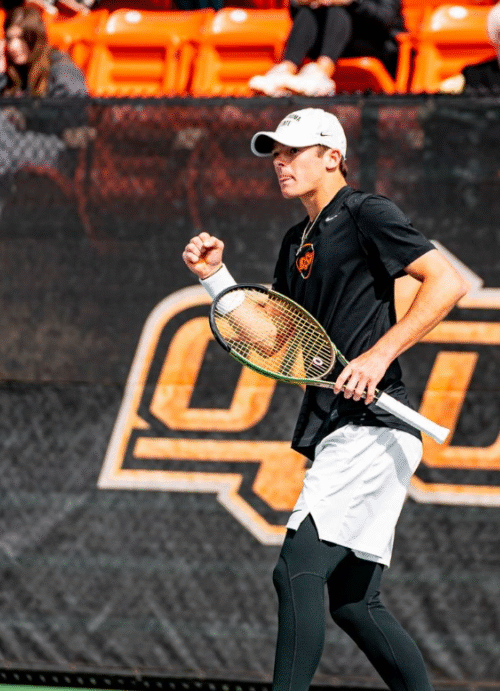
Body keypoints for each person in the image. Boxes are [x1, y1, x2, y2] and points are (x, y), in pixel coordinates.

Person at [182, 108, 468, 691]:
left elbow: (447, 282)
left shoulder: (368, 212)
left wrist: (378, 355)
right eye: (275, 154)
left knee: (295, 572)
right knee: (354, 603)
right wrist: (217, 279)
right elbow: (278, 337)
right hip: (342, 427)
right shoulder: (297, 240)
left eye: (293, 152)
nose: (279, 164)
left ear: (331, 157)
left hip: (373, 425)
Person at [0, 5, 88, 232]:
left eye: (21, 39)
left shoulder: (61, 69)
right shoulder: (12, 72)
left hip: (53, 146)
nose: (13, 47)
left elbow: (73, 114)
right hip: (11, 147)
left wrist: (27, 116)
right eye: (9, 39)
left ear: (35, 38)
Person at [248, 0, 405, 97]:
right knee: (307, 11)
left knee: (338, 9)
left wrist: (353, 2)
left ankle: (321, 72)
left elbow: (385, 19)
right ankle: (285, 69)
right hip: (328, 45)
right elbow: (294, 10)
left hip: (375, 44)